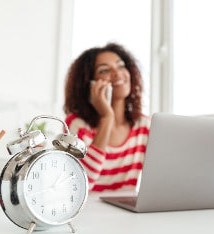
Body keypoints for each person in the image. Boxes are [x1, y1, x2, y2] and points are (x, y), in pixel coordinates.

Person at [63, 43, 151, 192]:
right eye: (104, 70)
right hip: (89, 213)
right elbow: (81, 184)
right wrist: (107, 117)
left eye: (121, 66)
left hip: (127, 212)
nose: (117, 74)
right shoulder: (77, 124)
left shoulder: (143, 126)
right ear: (90, 84)